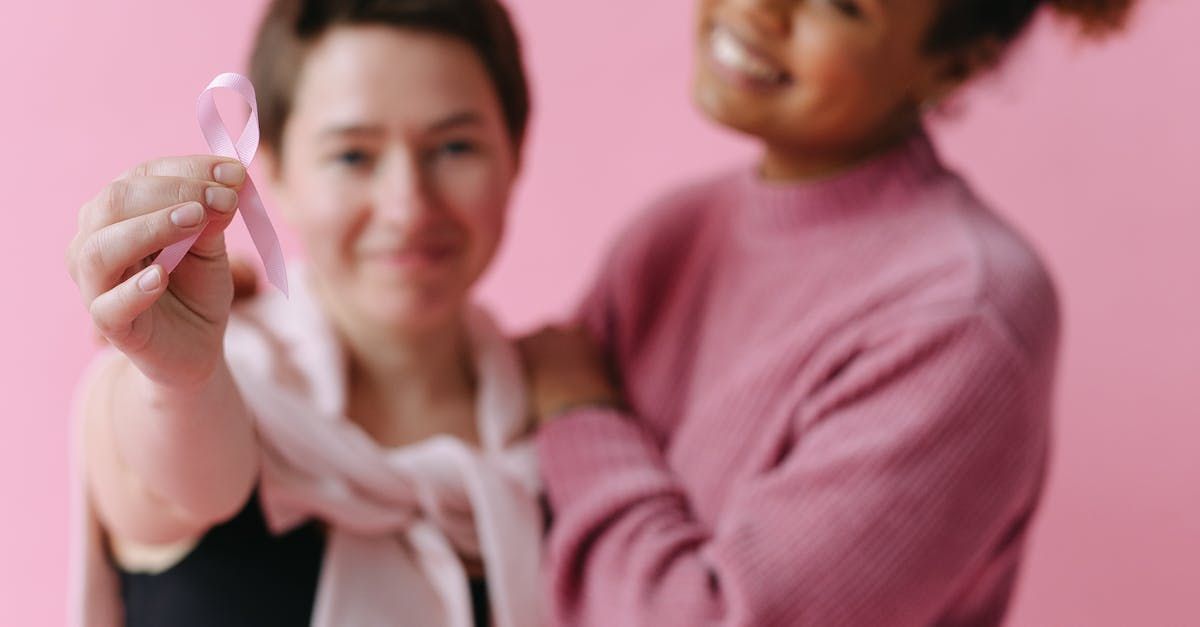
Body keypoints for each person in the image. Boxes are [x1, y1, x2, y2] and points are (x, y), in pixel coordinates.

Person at [518, 0, 1136, 625]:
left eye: (837, 5)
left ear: (950, 66)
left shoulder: (962, 311)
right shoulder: (671, 235)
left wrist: (578, 409)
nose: (759, 9)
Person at [65, 1, 541, 625]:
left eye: (454, 146)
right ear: (278, 173)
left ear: (514, 155)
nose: (407, 207)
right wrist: (182, 375)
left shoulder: (568, 427)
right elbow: (174, 474)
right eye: (352, 156)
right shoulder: (202, 371)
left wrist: (582, 402)